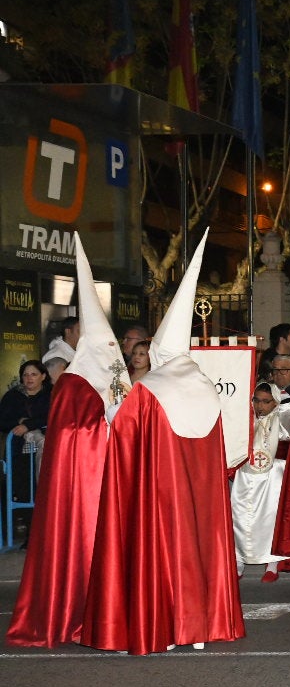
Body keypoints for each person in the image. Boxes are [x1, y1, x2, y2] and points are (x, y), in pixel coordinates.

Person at [79, 228, 245, 654]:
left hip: (161, 493)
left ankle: (168, 625)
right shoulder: (205, 384)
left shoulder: (150, 388)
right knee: (200, 550)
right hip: (202, 494)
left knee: (165, 552)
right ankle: (202, 627)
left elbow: (125, 436)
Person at [7, 241, 127, 649]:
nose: (113, 350)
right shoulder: (74, 383)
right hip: (84, 487)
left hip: (113, 478)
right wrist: (108, 428)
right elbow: (72, 434)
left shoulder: (113, 378)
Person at [231, 382, 290, 582]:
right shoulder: (245, 420)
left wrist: (283, 399)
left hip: (272, 477)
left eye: (266, 401)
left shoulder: (282, 419)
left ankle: (272, 564)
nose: (260, 406)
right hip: (245, 476)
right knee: (239, 518)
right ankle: (237, 561)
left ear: (275, 402)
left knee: (270, 520)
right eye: (256, 400)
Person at [0, 359, 53, 526]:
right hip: (19, 451)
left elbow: (52, 416)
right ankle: (28, 529)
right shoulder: (12, 395)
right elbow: (3, 420)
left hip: (46, 450)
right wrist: (18, 423)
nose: (29, 378)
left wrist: (28, 424)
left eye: (34, 374)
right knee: (23, 488)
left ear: (43, 376)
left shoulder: (52, 394)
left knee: (43, 487)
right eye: (25, 375)